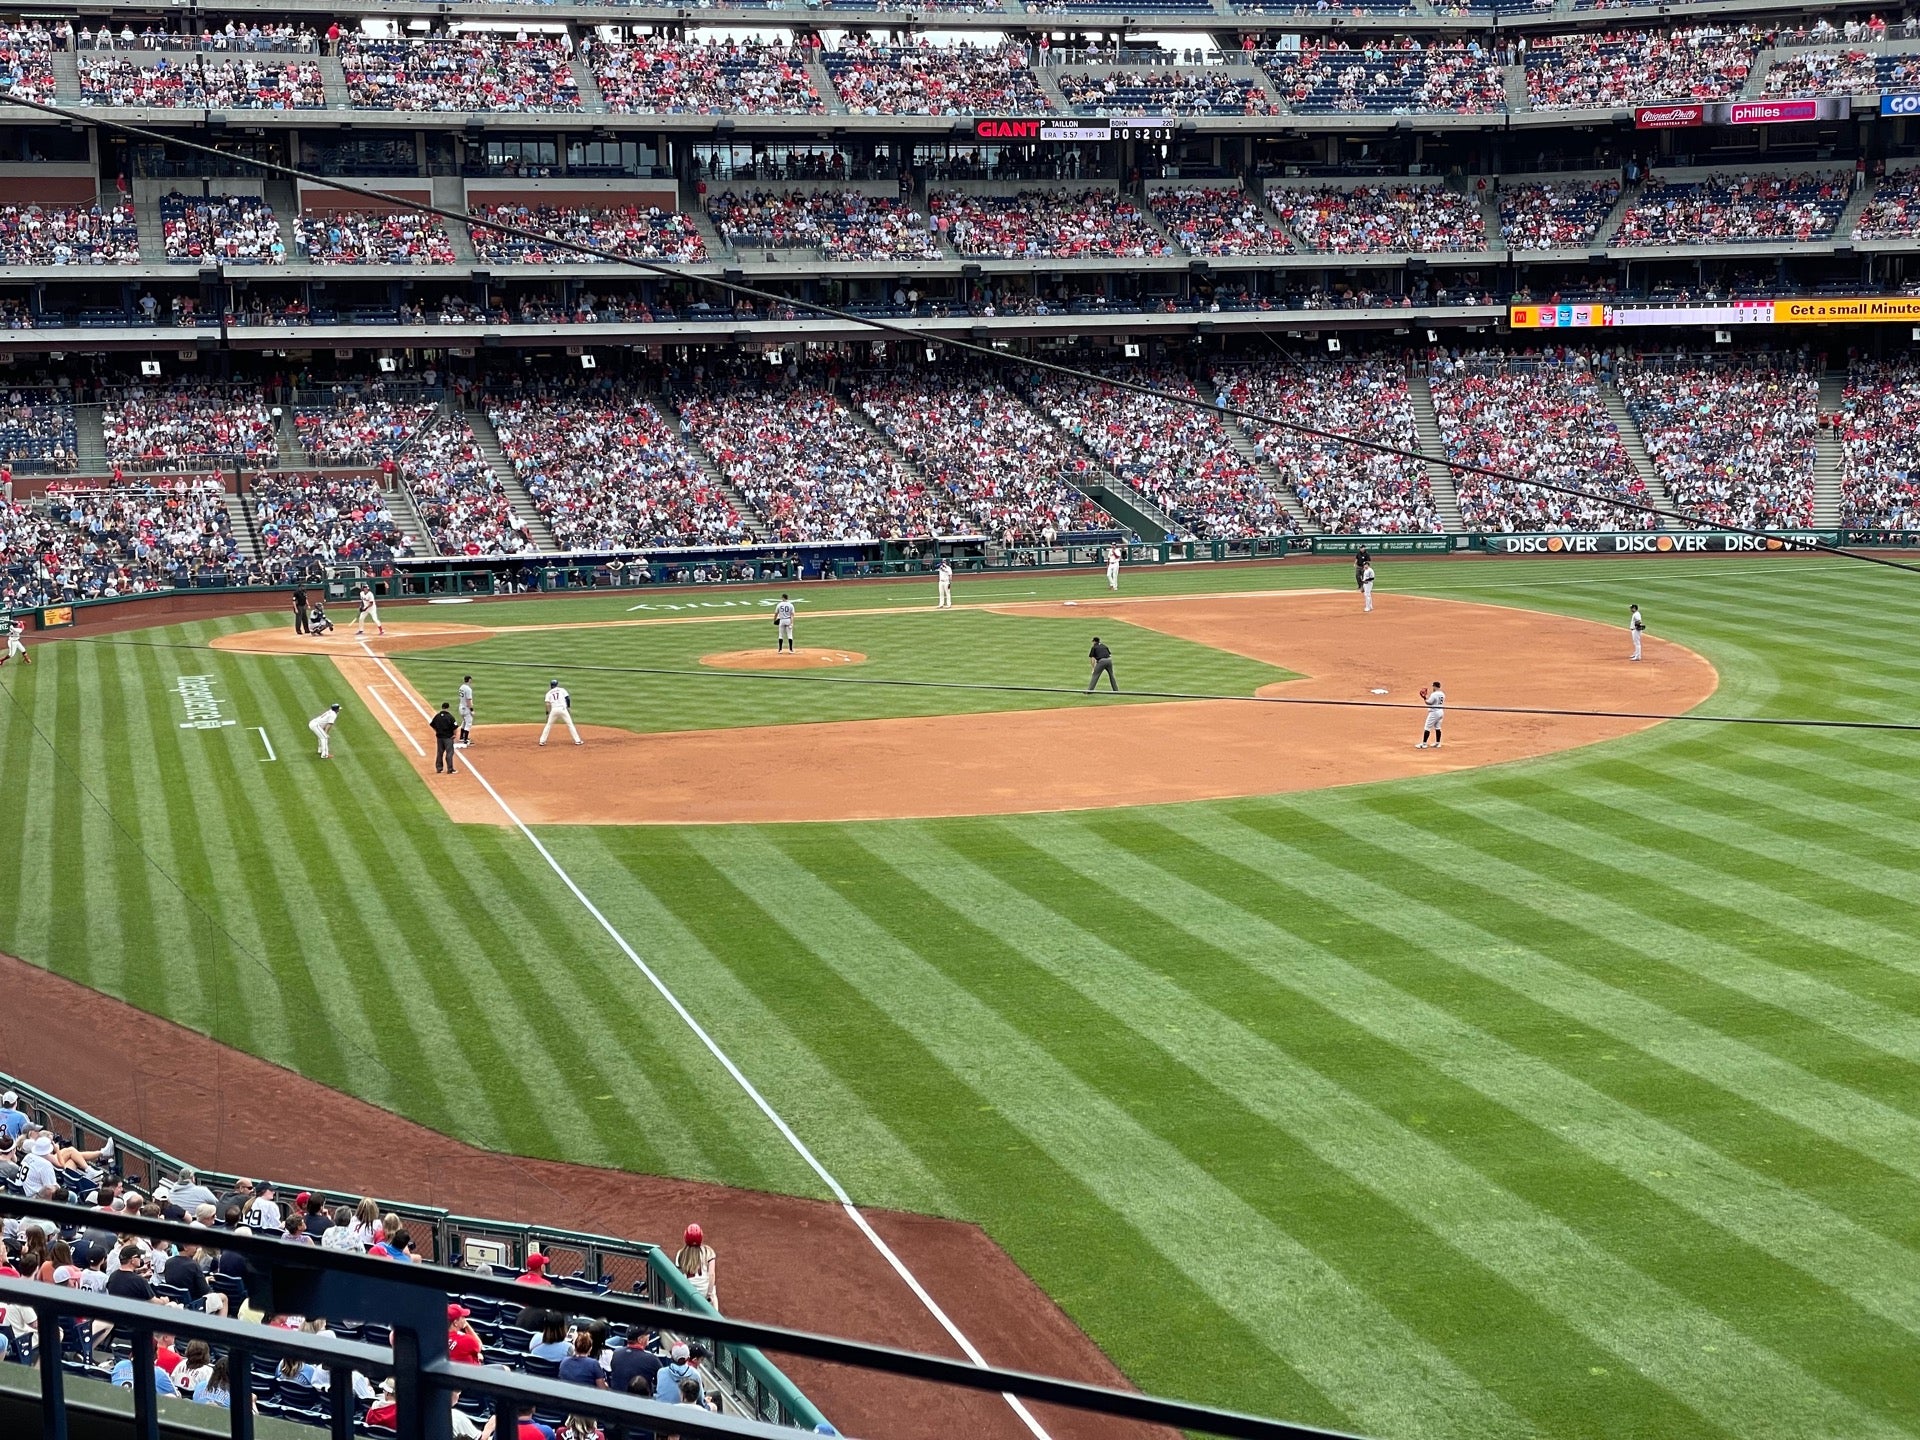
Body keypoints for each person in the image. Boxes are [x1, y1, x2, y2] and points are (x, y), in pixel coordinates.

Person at [609, 1327, 663, 1396]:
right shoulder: (652, 1359)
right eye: (647, 1334)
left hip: (615, 1398)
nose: (649, 1336)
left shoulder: (616, 1353)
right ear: (640, 1339)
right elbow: (662, 1381)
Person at [675, 1224, 717, 1310]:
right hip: (704, 1293)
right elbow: (711, 1274)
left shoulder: (680, 1254)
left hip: (689, 1293)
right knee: (713, 1295)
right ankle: (717, 1319)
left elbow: (678, 1277)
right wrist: (709, 1295)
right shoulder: (708, 1251)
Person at [653, 1341, 702, 1405]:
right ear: (688, 1358)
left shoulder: (661, 1372)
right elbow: (700, 1400)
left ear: (671, 1357)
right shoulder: (695, 1374)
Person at [539, 679, 581, 746]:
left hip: (554, 710)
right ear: (557, 684)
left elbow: (547, 704)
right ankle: (578, 741)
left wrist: (547, 713)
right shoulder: (562, 690)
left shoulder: (548, 693)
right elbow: (567, 698)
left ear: (551, 685)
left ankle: (542, 741)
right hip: (563, 709)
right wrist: (568, 707)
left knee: (548, 725)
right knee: (570, 724)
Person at [431, 702, 459, 775]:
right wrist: (454, 735)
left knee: (439, 753)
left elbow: (432, 724)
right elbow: (455, 727)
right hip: (448, 738)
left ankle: (439, 768)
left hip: (439, 737)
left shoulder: (437, 716)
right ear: (448, 708)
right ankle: (450, 769)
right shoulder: (450, 717)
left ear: (442, 707)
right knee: (449, 753)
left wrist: (437, 731)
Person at [1418, 680, 1445, 749]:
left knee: (1427, 727)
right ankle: (1438, 743)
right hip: (1441, 712)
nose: (1432, 688)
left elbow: (1429, 703)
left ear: (1435, 686)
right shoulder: (1442, 694)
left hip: (1434, 712)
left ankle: (1424, 744)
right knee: (1438, 727)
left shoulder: (1434, 694)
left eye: (1433, 686)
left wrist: (1424, 697)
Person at [457, 675, 475, 747]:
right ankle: (465, 740)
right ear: (469, 680)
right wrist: (471, 710)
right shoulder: (468, 689)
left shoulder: (461, 687)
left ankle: (462, 737)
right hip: (466, 708)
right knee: (469, 723)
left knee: (464, 721)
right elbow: (468, 701)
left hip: (461, 707)